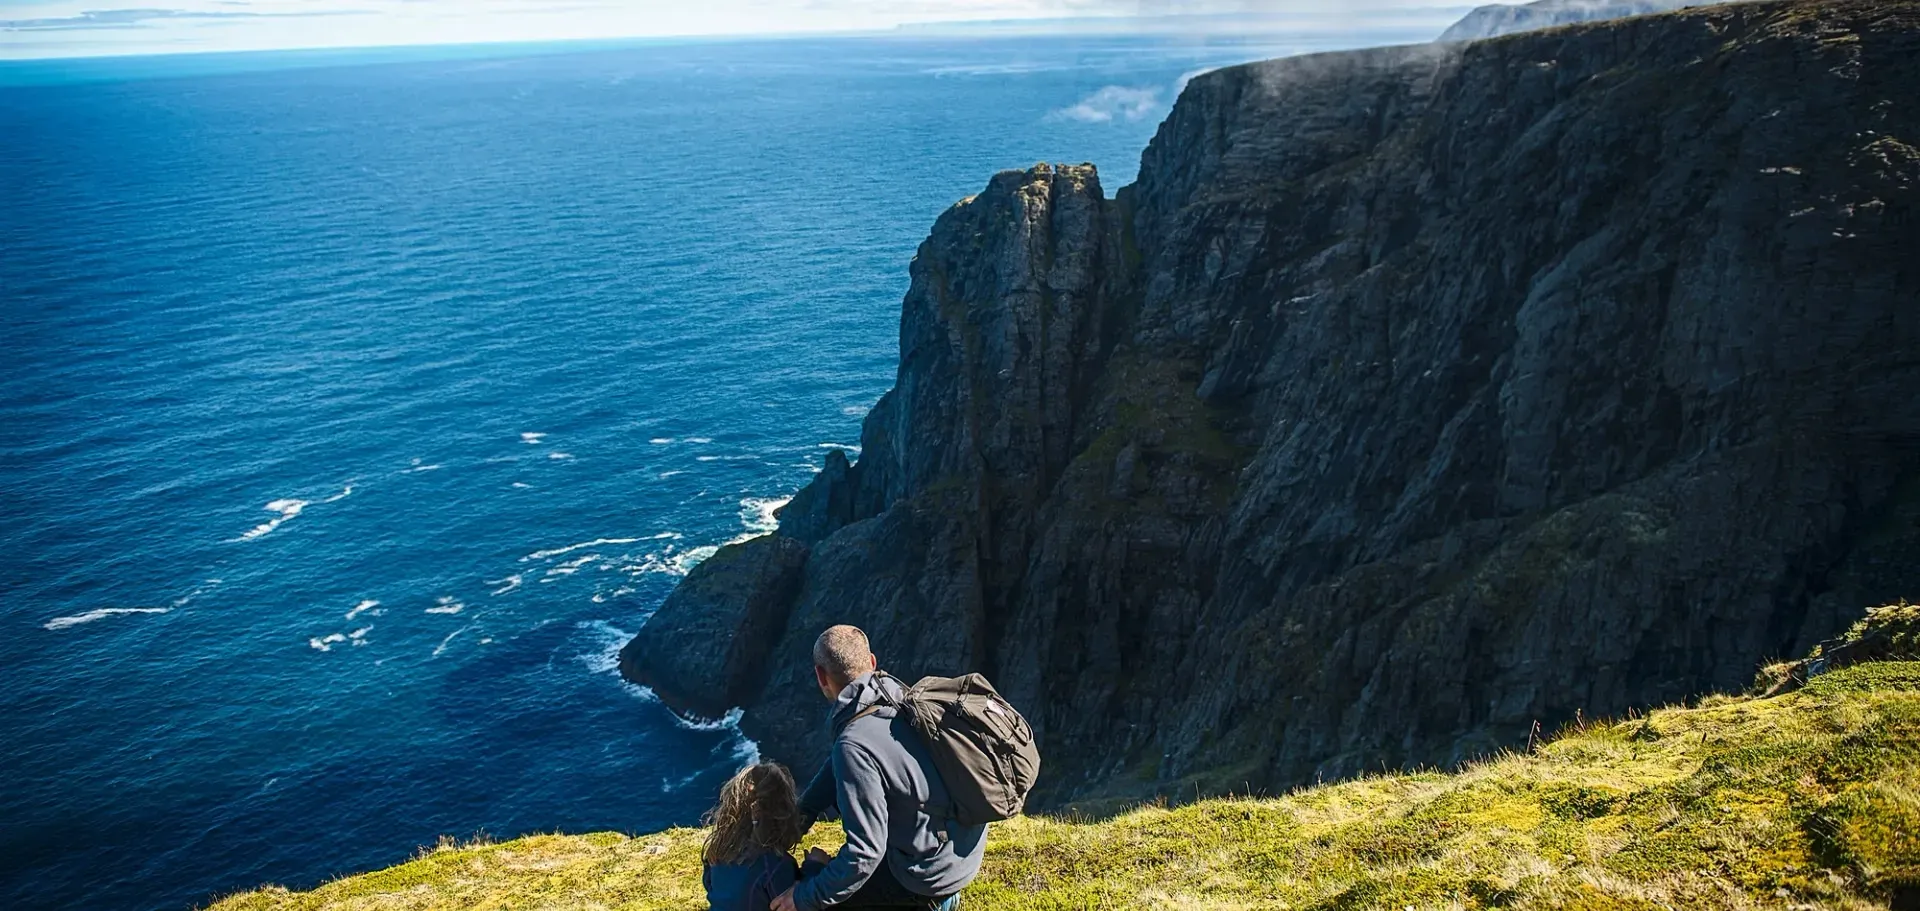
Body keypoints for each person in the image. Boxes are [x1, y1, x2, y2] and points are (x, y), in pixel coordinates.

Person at [772, 626, 986, 911]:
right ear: (872, 662)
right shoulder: (901, 697)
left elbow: (864, 854)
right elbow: (843, 762)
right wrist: (803, 815)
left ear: (821, 677)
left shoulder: (854, 743)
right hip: (959, 858)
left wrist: (802, 896)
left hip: (926, 881)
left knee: (823, 896)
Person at [702, 762, 826, 911]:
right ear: (784, 813)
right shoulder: (774, 865)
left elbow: (711, 888)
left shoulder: (718, 851)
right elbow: (793, 905)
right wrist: (814, 867)